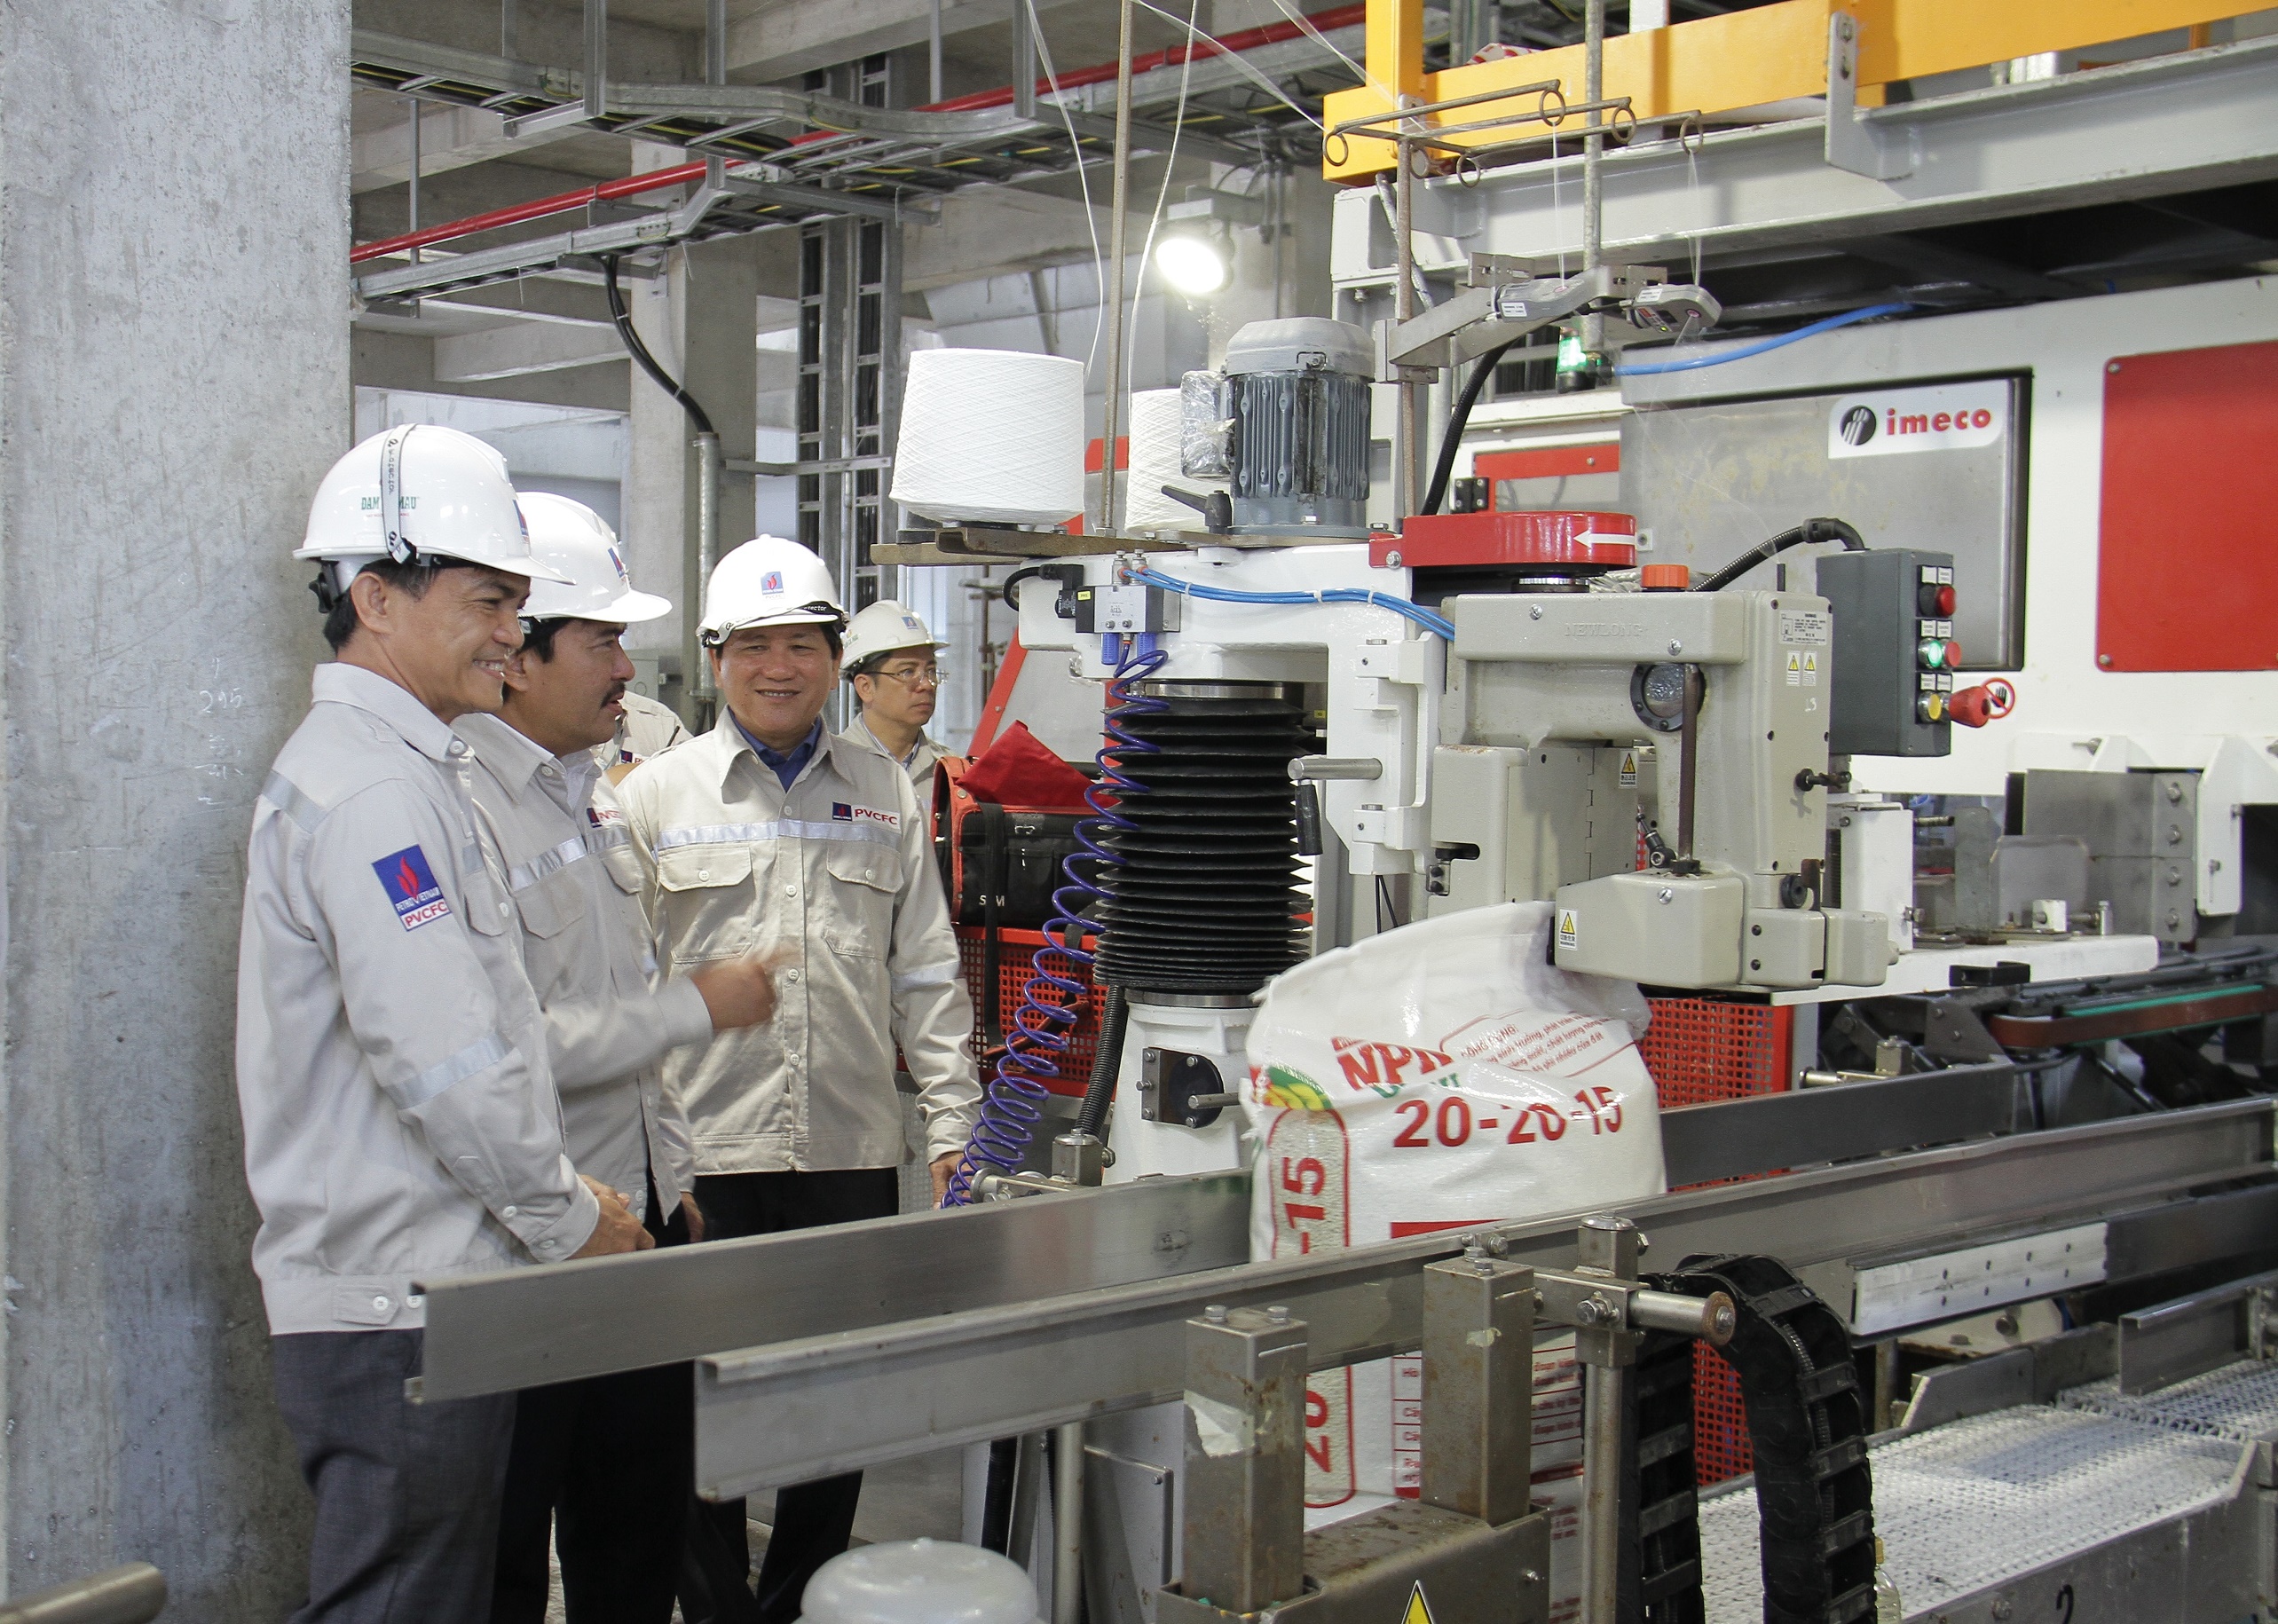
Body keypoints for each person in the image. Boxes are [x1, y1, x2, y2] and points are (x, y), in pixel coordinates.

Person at [238, 425, 654, 1624]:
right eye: (487, 602)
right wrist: (567, 1216)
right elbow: (447, 1060)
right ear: (376, 597)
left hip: (423, 1293)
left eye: (518, 606)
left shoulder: (411, 770)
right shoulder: (376, 790)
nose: (511, 635)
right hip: (394, 1308)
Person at [616, 538, 981, 1624]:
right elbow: (620, 989)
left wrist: (954, 1124)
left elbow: (924, 970)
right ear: (715, 659)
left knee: (836, 1408)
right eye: (754, 646)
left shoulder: (885, 791)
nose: (779, 667)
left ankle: (801, 1606)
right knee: (699, 1411)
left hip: (848, 1147)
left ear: (833, 662)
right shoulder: (655, 797)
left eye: (802, 646)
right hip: (703, 1158)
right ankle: (718, 1613)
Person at [454, 493, 778, 1624]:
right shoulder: (462, 813)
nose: (627, 670)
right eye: (602, 642)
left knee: (633, 1539)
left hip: (635, 1228)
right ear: (518, 654)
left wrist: (669, 1176)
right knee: (505, 1554)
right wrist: (696, 1008)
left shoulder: (584, 800)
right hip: (527, 1240)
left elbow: (617, 995)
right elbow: (495, 1051)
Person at [839, 600, 948, 789]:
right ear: (865, 687)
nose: (926, 685)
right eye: (907, 672)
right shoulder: (831, 771)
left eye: (930, 671)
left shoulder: (952, 774)